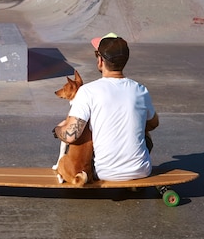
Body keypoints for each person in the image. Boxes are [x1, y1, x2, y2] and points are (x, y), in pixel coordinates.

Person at [53, 32, 159, 181]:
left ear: (100, 61)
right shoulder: (140, 90)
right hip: (142, 170)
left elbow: (71, 135)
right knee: (143, 128)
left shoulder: (88, 91)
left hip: (104, 173)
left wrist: (57, 130)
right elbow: (154, 123)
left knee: (85, 131)